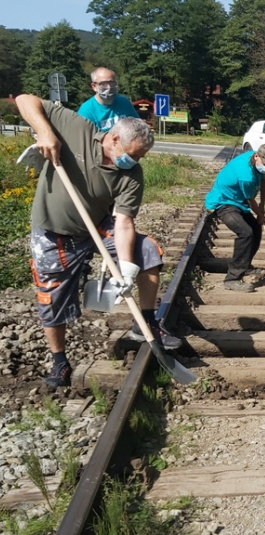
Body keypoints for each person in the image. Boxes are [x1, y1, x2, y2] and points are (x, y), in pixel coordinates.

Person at [16, 94, 181, 389]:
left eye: (140, 157)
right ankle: (60, 362)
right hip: (54, 230)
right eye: (132, 154)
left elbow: (124, 221)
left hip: (96, 224)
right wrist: (45, 132)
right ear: (114, 138)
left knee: (147, 250)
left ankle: (146, 322)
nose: (134, 161)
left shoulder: (132, 174)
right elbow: (25, 100)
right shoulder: (77, 129)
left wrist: (127, 267)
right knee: (51, 295)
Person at [204, 144, 265, 292]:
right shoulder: (246, 176)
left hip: (238, 201)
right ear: (257, 156)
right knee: (245, 232)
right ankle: (232, 279)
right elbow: (250, 200)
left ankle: (244, 266)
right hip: (224, 202)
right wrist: (260, 214)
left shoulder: (256, 160)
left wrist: (262, 205)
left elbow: (264, 180)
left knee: (256, 229)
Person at [77, 67, 139, 132]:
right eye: (104, 84)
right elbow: (83, 136)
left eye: (112, 83)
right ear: (94, 86)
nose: (109, 87)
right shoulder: (86, 111)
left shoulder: (124, 102)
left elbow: (138, 128)